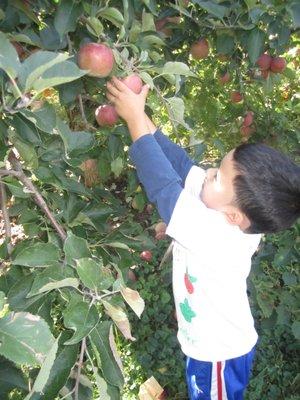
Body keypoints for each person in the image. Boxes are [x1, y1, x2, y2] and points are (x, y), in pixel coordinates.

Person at [106, 77, 300, 400]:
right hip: (205, 346)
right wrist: (143, 119)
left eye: (218, 176)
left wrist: (135, 121)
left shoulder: (220, 237)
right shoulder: (225, 210)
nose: (208, 172)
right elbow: (181, 167)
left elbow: (166, 189)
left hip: (218, 357)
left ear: (234, 215)